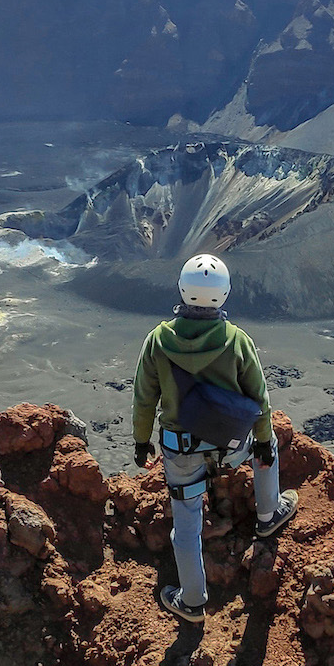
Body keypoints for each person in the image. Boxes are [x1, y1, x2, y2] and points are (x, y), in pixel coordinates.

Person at [133, 253, 298, 623]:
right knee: (266, 444)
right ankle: (269, 514)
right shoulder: (237, 340)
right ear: (224, 294)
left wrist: (141, 443)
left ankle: (192, 601)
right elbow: (260, 399)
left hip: (181, 453)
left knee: (187, 526)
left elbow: (145, 399)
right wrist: (260, 442)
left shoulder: (158, 340)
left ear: (181, 289)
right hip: (230, 448)